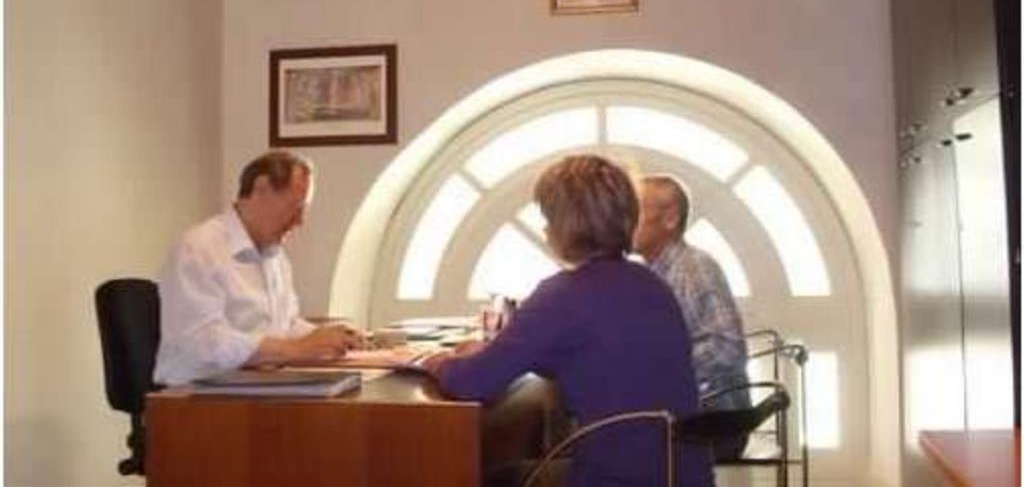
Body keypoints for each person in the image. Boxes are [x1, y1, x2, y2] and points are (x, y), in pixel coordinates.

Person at [423, 155, 713, 487]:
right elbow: (602, 360)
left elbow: (471, 383)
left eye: (547, 218)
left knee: (493, 479)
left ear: (564, 226)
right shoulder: (652, 284)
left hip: (618, 479)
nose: (545, 229)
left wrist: (435, 362)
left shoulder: (562, 293)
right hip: (681, 476)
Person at [154, 150, 364, 385]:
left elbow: (283, 326)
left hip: (253, 386)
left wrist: (325, 337)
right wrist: (297, 349)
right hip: (196, 394)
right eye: (295, 208)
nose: (300, 221)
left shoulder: (275, 257)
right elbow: (203, 344)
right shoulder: (199, 248)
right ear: (261, 189)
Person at [634, 175, 751, 459]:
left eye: (637, 210)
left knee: (601, 444)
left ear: (670, 219)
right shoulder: (655, 274)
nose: (626, 220)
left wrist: (658, 370)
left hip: (712, 424)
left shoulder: (694, 268)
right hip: (691, 415)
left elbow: (728, 348)